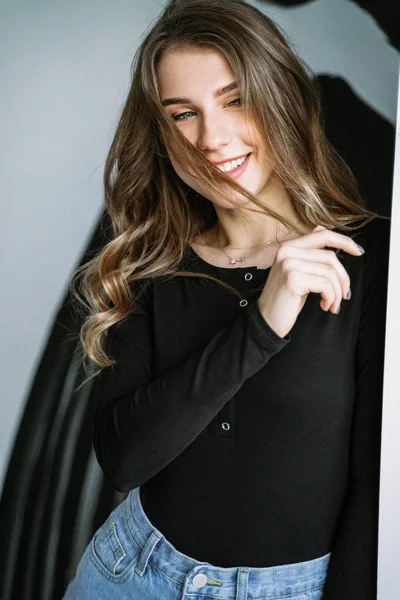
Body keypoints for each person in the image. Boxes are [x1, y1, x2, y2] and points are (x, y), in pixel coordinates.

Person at [63, 0, 391, 598]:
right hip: (132, 575)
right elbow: (124, 462)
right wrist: (262, 325)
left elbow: (377, 486)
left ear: (280, 96)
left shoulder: (366, 257)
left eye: (235, 99)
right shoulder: (147, 259)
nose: (211, 139)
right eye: (182, 114)